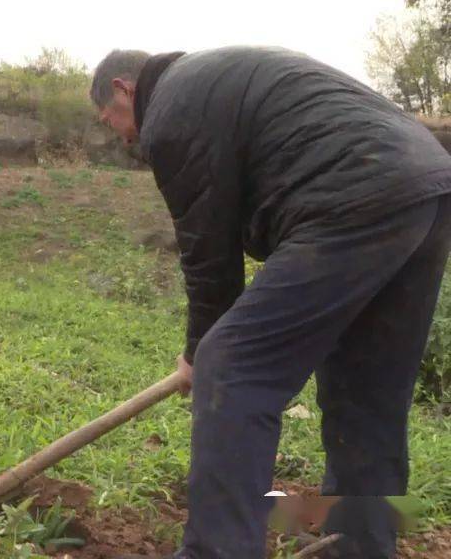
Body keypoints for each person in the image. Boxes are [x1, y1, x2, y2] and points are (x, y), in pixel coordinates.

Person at [91, 46, 451, 559]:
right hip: (427, 183)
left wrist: (199, 352)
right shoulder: (213, 80)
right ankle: (362, 545)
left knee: (232, 366)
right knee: (367, 393)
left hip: (354, 191)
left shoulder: (169, 110)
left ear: (125, 88)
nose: (124, 138)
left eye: (114, 120)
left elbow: (207, 254)